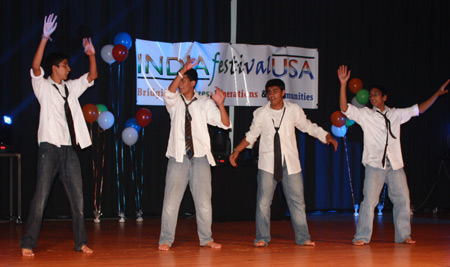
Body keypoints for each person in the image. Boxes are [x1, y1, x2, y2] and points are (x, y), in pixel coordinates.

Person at [337, 65, 449, 245]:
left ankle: (404, 235)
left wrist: (436, 94)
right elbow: (344, 109)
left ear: (384, 97)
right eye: (371, 95)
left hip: (395, 164)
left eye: (375, 94)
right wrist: (343, 84)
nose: (372, 97)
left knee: (403, 199)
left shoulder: (396, 114)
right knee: (369, 202)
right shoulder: (366, 115)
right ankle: (362, 237)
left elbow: (418, 109)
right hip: (375, 165)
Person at [20, 14, 97, 256]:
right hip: (49, 148)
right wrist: (44, 38)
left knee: (78, 199)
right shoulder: (42, 86)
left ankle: (81, 242)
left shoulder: (71, 87)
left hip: (68, 150)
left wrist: (92, 55)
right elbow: (34, 67)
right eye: (65, 65)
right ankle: (27, 243)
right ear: (54, 68)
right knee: (40, 197)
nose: (69, 68)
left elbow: (92, 76)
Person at [229, 79, 338, 247]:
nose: (271, 95)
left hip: (290, 162)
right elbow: (251, 135)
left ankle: (303, 237)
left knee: (297, 201)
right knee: (263, 202)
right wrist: (236, 150)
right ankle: (262, 238)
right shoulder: (260, 113)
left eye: (275, 91)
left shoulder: (293, 110)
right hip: (268, 163)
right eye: (269, 92)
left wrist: (326, 136)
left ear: (283, 92)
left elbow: (308, 126)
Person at [158, 59, 231, 251]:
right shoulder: (174, 102)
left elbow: (225, 124)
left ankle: (206, 238)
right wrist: (182, 70)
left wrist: (221, 104)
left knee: (204, 202)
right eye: (179, 80)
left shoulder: (205, 103)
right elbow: (168, 92)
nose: (180, 83)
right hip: (178, 157)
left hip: (200, 158)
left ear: (193, 84)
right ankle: (165, 239)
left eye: (183, 80)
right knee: (171, 202)